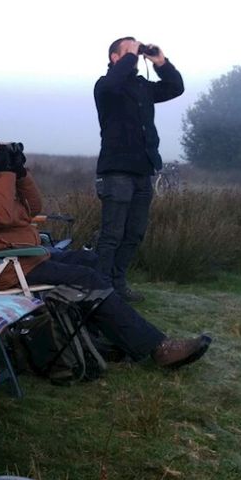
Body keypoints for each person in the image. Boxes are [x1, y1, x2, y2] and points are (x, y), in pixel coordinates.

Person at [0, 131, 210, 368]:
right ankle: (158, 348)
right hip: (5, 267)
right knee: (87, 279)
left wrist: (20, 173)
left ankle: (103, 338)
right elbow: (0, 214)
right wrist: (5, 172)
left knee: (92, 261)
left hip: (24, 256)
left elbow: (33, 206)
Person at [93, 37, 184, 303]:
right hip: (117, 170)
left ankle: (118, 285)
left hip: (143, 168)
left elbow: (175, 88)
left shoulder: (142, 87)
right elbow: (113, 82)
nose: (136, 52)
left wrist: (161, 62)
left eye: (137, 49)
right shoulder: (106, 86)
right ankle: (101, 290)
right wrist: (132, 56)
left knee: (134, 233)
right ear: (114, 57)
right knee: (112, 234)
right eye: (129, 49)